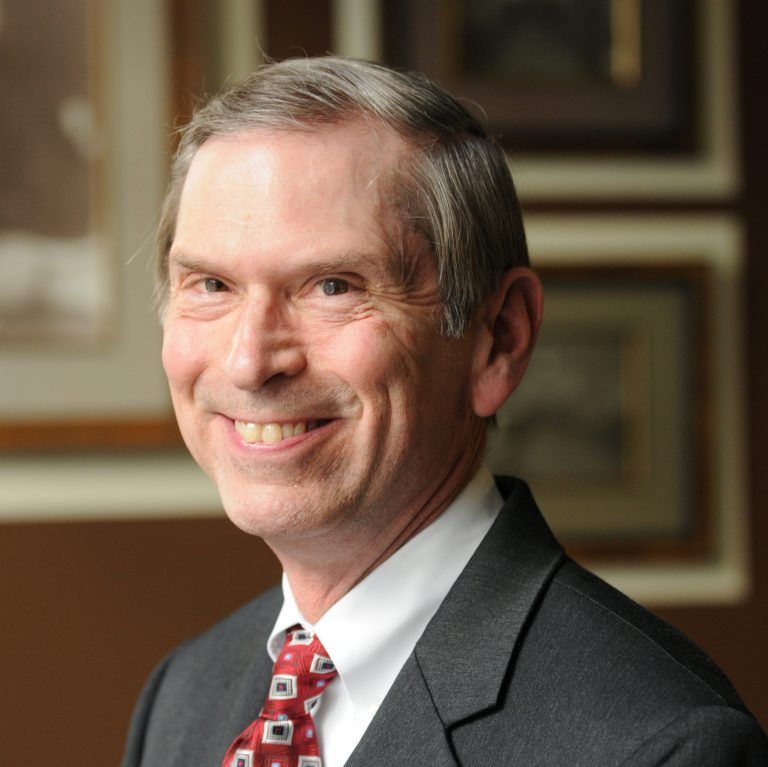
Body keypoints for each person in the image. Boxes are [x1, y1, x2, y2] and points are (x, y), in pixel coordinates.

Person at [121, 57, 768, 767]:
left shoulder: (662, 745)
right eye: (211, 283)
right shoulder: (183, 695)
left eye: (333, 285)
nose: (249, 361)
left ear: (499, 340)